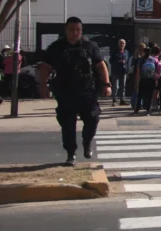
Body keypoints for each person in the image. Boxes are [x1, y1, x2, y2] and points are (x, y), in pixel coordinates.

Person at [37, 17, 111, 166]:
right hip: (65, 92)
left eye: (78, 29)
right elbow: (45, 67)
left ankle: (87, 142)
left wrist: (107, 84)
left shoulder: (89, 46)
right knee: (67, 125)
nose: (75, 32)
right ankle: (71, 153)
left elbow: (101, 65)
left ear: (81, 31)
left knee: (93, 119)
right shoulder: (56, 47)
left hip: (86, 91)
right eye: (72, 29)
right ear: (66, 30)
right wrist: (43, 86)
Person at [109, 39, 129, 106]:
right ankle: (114, 100)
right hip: (115, 72)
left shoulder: (126, 52)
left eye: (123, 43)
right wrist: (118, 61)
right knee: (115, 86)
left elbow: (127, 61)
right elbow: (110, 61)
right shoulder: (115, 52)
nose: (122, 45)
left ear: (125, 44)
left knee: (123, 86)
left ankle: (122, 100)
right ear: (118, 44)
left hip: (123, 72)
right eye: (120, 43)